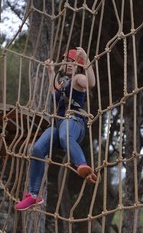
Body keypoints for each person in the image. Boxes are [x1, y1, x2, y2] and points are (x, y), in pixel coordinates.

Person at [15, 46, 96, 210]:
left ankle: (81, 164)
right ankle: (33, 195)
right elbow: (55, 94)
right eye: (68, 61)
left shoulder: (78, 78)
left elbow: (91, 83)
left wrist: (86, 60)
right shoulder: (63, 82)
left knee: (65, 134)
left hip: (75, 123)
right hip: (59, 125)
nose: (70, 64)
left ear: (79, 66)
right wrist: (51, 72)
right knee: (37, 149)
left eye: (74, 62)